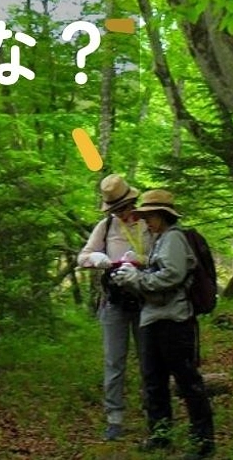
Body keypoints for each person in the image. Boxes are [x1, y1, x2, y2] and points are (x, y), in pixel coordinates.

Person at [111, 189, 215, 459]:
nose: (146, 221)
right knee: (154, 381)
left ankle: (202, 441)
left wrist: (136, 279)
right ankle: (160, 436)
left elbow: (171, 276)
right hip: (153, 318)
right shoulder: (159, 241)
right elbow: (159, 274)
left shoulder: (174, 239)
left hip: (174, 320)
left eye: (150, 216)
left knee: (186, 380)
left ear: (163, 216)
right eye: (145, 216)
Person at [77, 174, 153, 442]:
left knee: (149, 359)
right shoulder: (106, 227)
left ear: (133, 202)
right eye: (116, 210)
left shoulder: (149, 224)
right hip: (114, 302)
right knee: (114, 360)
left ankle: (153, 413)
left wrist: (141, 261)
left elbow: (165, 259)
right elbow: (82, 256)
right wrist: (95, 259)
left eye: (125, 207)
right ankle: (114, 418)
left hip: (147, 300)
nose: (122, 214)